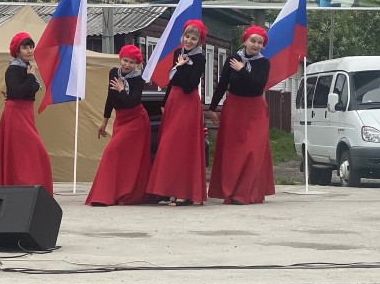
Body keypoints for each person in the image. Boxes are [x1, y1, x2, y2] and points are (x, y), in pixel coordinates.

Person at [207, 25, 275, 205]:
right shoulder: (232, 59)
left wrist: (242, 69)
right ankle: (232, 191)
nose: (256, 45)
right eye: (253, 41)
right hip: (234, 109)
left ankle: (246, 193)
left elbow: (258, 85)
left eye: (260, 42)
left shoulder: (264, 63)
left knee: (252, 151)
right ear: (245, 41)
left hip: (255, 110)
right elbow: (222, 84)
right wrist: (212, 108)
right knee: (234, 152)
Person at [0, 33, 53, 194]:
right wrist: (31, 77)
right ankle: (22, 186)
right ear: (17, 51)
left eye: (31, 47)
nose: (29, 50)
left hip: (26, 113)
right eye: (25, 47)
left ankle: (28, 186)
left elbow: (26, 90)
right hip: (16, 114)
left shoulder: (27, 68)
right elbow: (16, 92)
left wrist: (30, 77)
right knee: (31, 152)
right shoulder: (13, 69)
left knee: (25, 152)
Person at [146, 20, 208, 206]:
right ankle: (168, 190)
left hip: (187, 102)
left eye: (193, 39)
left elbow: (189, 85)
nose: (189, 41)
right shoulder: (178, 53)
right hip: (174, 99)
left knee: (182, 145)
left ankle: (185, 193)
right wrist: (164, 102)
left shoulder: (200, 58)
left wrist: (181, 67)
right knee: (168, 145)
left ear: (199, 41)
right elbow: (172, 81)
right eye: (187, 37)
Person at [85, 45, 152, 206]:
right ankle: (113, 193)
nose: (127, 65)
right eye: (125, 60)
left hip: (136, 120)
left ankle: (105, 196)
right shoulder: (113, 73)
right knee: (120, 157)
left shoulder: (138, 80)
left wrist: (122, 89)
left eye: (131, 62)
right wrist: (104, 121)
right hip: (120, 119)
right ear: (120, 59)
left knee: (112, 152)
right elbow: (110, 97)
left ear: (136, 64)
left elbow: (132, 102)